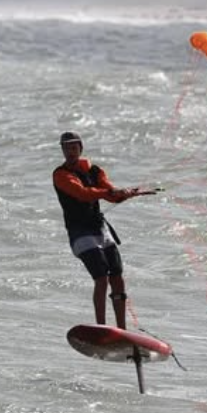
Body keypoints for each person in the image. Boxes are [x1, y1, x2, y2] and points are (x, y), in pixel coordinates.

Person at [52, 131, 151, 329]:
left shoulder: (95, 171)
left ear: (80, 148)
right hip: (80, 233)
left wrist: (127, 194)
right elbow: (82, 194)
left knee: (117, 276)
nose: (70, 152)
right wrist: (111, 192)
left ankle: (121, 330)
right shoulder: (60, 175)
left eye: (74, 147)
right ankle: (102, 328)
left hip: (100, 229)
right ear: (62, 150)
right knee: (101, 277)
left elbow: (109, 192)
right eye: (66, 148)